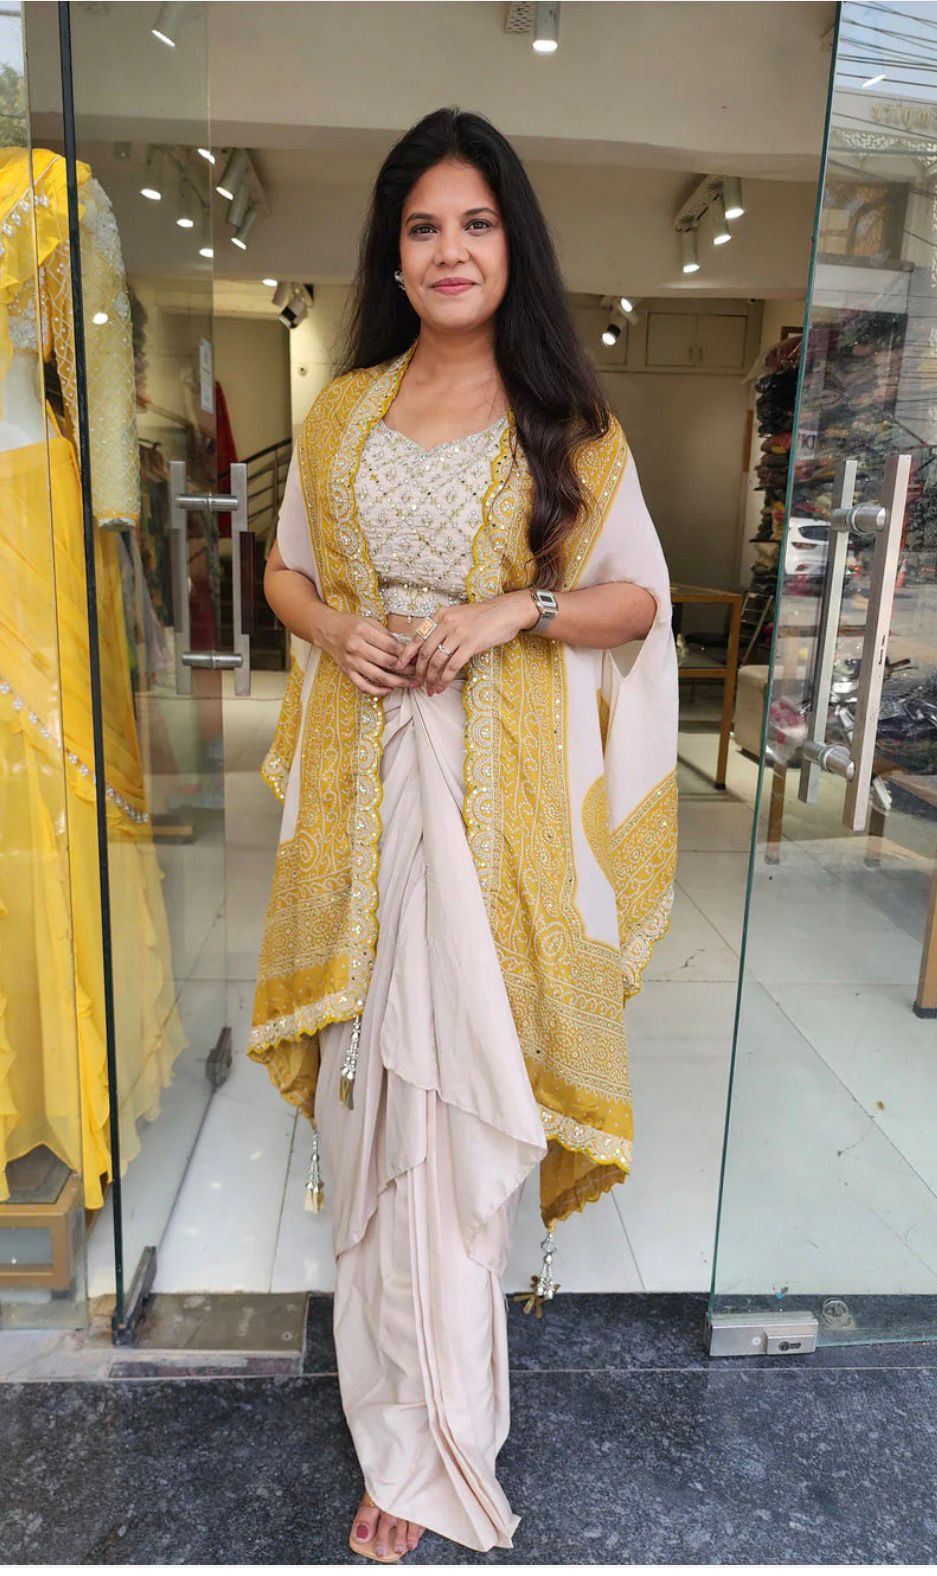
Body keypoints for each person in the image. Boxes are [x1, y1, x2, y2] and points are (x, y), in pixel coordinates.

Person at [248, 107, 679, 1561]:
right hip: (360, 805)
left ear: (513, 246)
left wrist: (515, 610)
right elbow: (285, 572)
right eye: (424, 227)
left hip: (497, 825)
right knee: (370, 1114)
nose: (450, 251)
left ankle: (443, 1445)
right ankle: (395, 1424)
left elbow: (636, 602)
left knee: (456, 1120)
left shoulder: (570, 424)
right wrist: (340, 631)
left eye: (476, 224)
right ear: (395, 254)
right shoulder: (343, 411)